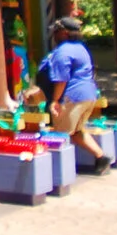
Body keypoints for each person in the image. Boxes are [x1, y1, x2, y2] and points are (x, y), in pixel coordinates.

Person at [38, 14, 110, 172]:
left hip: (73, 96)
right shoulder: (81, 48)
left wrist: (55, 101)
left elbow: (61, 80)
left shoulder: (62, 52)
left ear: (63, 33)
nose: (53, 35)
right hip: (89, 95)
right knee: (76, 131)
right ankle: (101, 157)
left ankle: (59, 174)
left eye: (56, 32)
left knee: (60, 134)